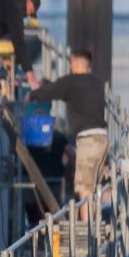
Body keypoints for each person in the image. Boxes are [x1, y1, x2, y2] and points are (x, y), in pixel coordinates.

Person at [27, 50, 109, 201]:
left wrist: (31, 95)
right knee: (94, 188)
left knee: (84, 190)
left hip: (88, 140)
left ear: (76, 64)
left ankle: (86, 224)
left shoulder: (71, 81)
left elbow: (50, 92)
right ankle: (94, 221)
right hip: (102, 139)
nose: (70, 67)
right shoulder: (97, 83)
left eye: (71, 64)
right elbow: (76, 99)